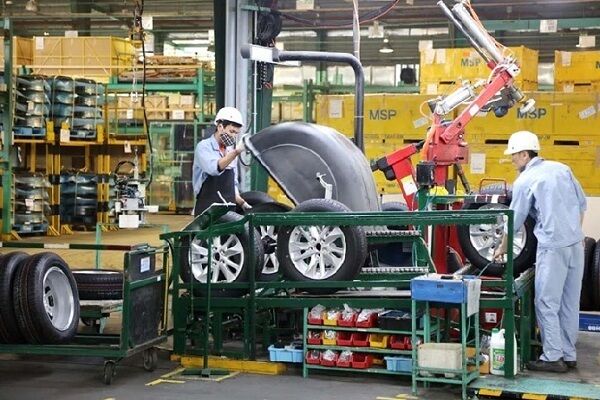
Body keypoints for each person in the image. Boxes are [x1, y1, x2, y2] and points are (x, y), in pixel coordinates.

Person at [494, 130, 586, 373]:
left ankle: (553, 356)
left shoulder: (525, 180)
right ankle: (568, 354)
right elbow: (581, 204)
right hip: (576, 245)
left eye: (514, 155)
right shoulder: (562, 169)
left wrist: (502, 246)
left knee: (546, 301)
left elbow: (514, 220)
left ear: (525, 154)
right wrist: (572, 233)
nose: (512, 160)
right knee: (569, 301)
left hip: (553, 247)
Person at [192, 106, 251, 216]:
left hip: (228, 210)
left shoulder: (230, 151)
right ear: (220, 127)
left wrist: (242, 203)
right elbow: (214, 168)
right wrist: (236, 152)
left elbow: (232, 184)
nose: (233, 136)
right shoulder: (204, 147)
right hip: (207, 210)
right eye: (231, 131)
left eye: (236, 133)